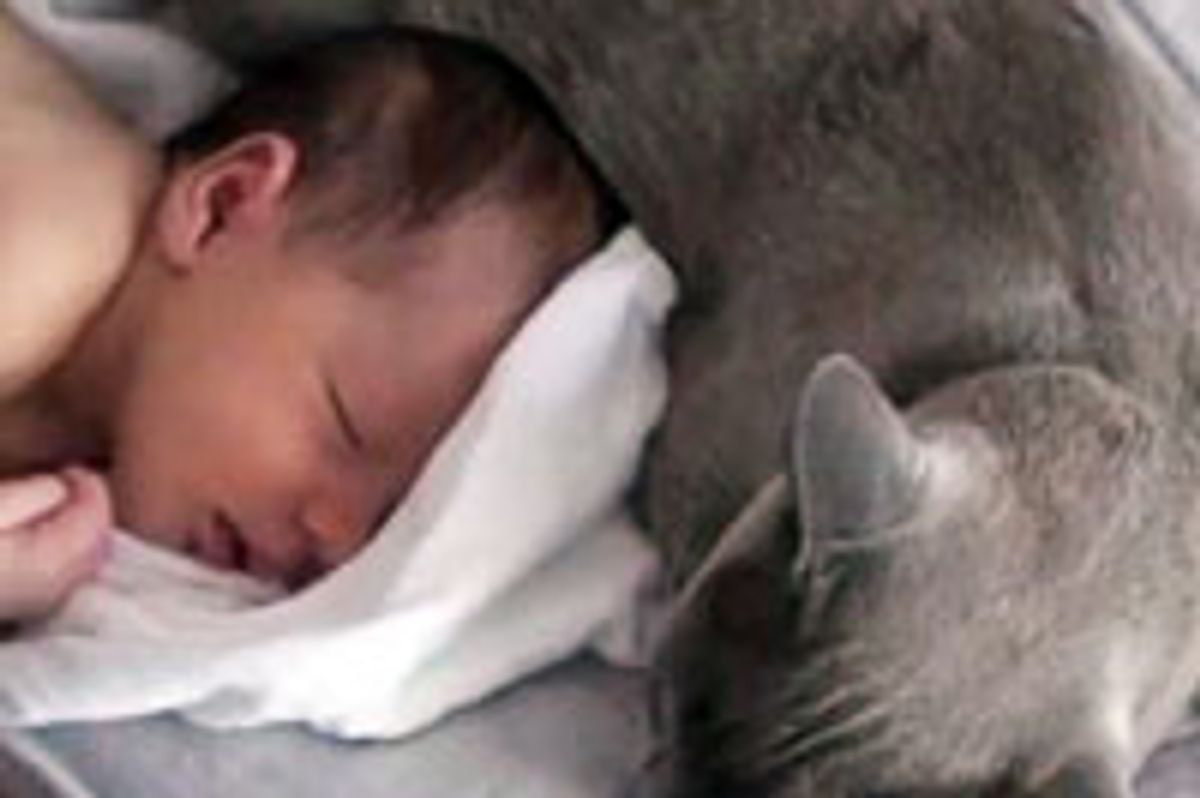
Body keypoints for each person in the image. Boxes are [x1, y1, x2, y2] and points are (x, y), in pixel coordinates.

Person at [0, 11, 617, 620]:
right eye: (346, 424)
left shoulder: (119, 415)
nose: (335, 537)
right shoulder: (52, 248)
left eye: (385, 520)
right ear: (222, 207)